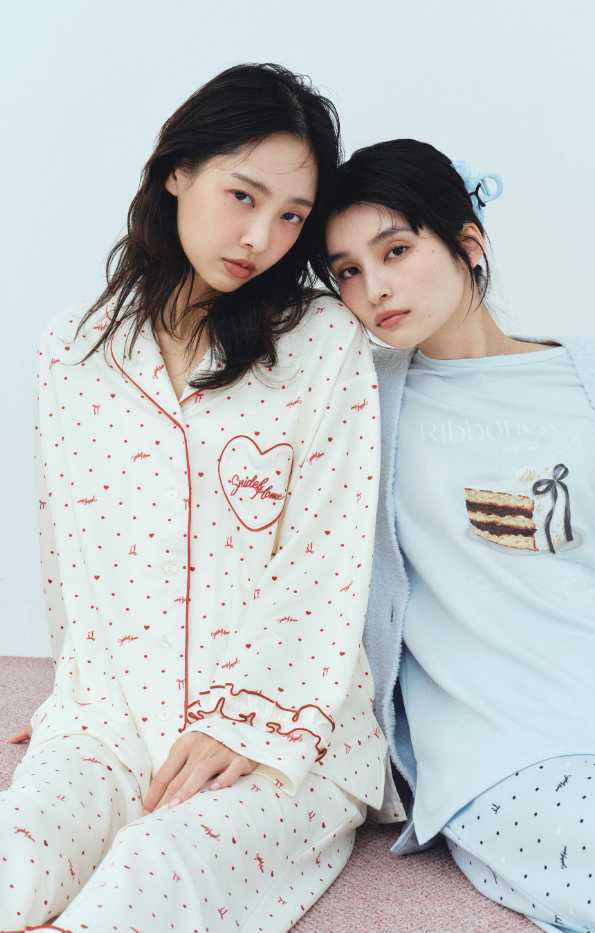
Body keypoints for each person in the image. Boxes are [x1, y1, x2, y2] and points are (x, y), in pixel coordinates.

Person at [1, 63, 387, 932]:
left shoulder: (322, 342)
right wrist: (76, 692)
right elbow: (71, 553)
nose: (260, 237)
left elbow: (326, 556)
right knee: (17, 847)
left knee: (154, 871)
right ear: (177, 171)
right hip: (113, 717)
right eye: (242, 195)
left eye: (291, 216)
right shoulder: (74, 348)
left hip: (283, 733)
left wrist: (248, 722)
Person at [320, 138, 595, 932]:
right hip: (506, 748)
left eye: (395, 250)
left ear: (469, 242)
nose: (373, 288)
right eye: (346, 270)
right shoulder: (359, 404)